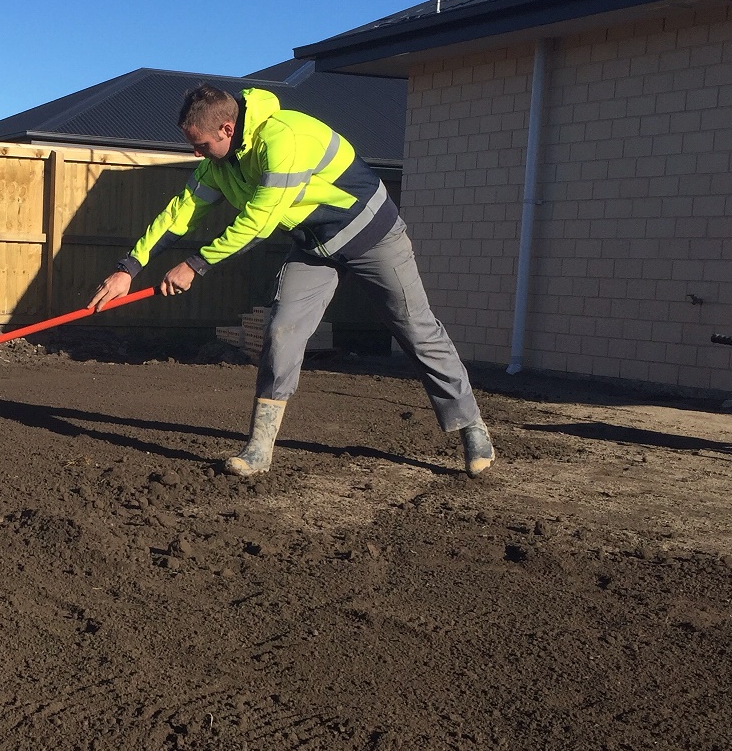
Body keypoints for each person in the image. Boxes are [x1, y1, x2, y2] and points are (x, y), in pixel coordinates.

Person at [89, 84, 493, 478]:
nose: (197, 154)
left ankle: (471, 427)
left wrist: (195, 265)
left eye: (202, 145)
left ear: (227, 129)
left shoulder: (284, 138)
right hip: (315, 247)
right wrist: (130, 266)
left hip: (373, 237)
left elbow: (259, 220)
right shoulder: (218, 164)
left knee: (415, 328)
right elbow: (180, 211)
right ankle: (260, 447)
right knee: (281, 330)